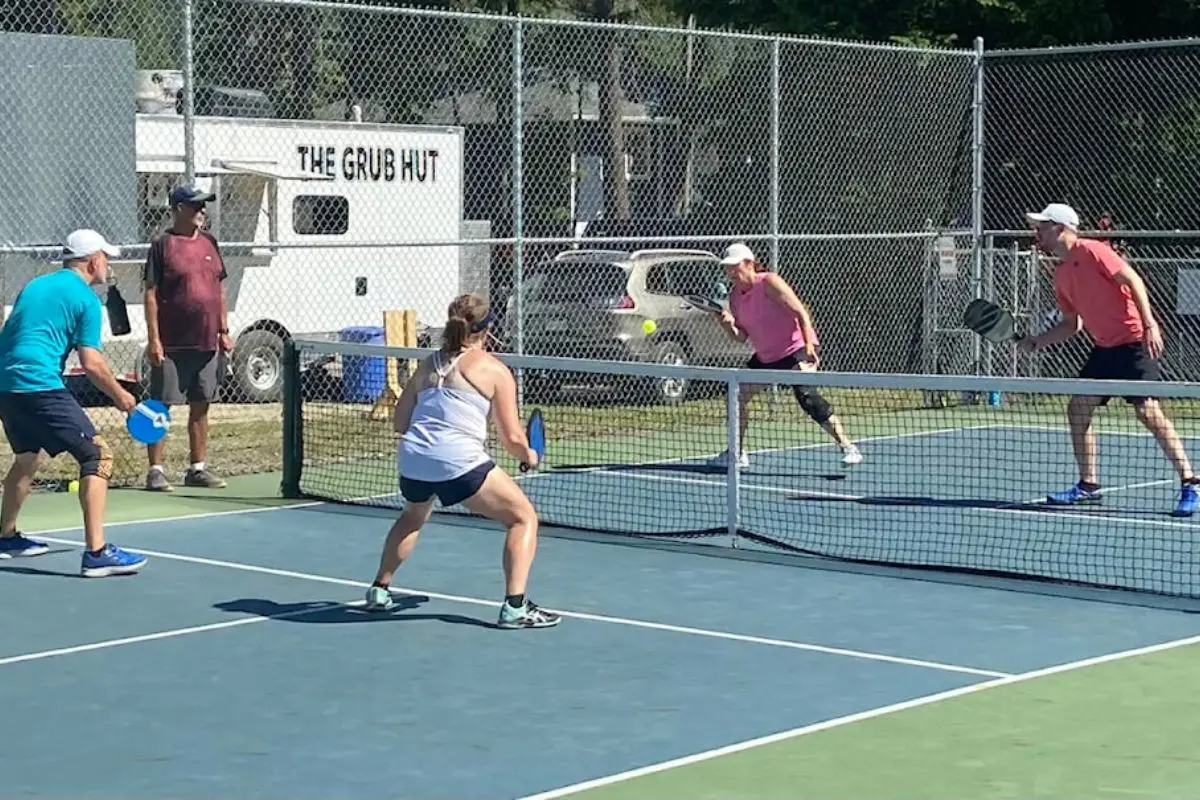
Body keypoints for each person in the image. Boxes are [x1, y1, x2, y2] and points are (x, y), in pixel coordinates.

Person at [363, 293, 560, 629]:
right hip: (457, 460)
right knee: (522, 518)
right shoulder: (494, 369)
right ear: (488, 329)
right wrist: (529, 455)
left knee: (413, 515)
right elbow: (512, 438)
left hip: (413, 458)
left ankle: (380, 589)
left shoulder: (428, 363)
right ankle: (515, 607)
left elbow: (400, 422)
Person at [1020, 202, 1198, 517]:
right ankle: (1088, 485)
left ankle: (1190, 482)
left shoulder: (1094, 251)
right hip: (1104, 348)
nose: (1037, 232)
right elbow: (1071, 323)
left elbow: (1134, 281)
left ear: (1061, 228)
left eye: (1042, 226)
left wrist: (1150, 325)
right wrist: (1038, 341)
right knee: (1078, 408)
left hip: (1132, 343)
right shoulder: (1061, 274)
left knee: (1147, 412)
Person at [0, 229, 148, 577]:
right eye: (105, 257)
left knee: (27, 457)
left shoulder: (34, 286)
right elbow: (93, 363)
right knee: (98, 455)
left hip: (6, 384)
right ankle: (97, 553)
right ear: (92, 260)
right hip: (39, 384)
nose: (108, 264)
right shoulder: (85, 300)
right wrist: (122, 396)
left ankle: (6, 537)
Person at [707, 243, 863, 470]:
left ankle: (848, 447)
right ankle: (736, 453)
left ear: (749, 264)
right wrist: (726, 324)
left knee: (807, 396)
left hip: (794, 349)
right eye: (727, 268)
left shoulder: (769, 282)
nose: (731, 272)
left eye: (735, 266)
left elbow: (800, 312)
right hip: (766, 357)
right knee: (735, 395)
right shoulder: (735, 297)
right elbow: (740, 337)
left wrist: (809, 345)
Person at [142, 184, 233, 492]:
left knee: (201, 404)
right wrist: (154, 339)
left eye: (203, 206)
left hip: (207, 342)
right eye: (196, 206)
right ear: (179, 208)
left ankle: (197, 468)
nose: (202, 212)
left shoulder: (209, 242)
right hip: (171, 344)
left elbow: (220, 288)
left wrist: (223, 330)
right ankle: (155, 470)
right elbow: (151, 294)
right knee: (160, 407)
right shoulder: (163, 244)